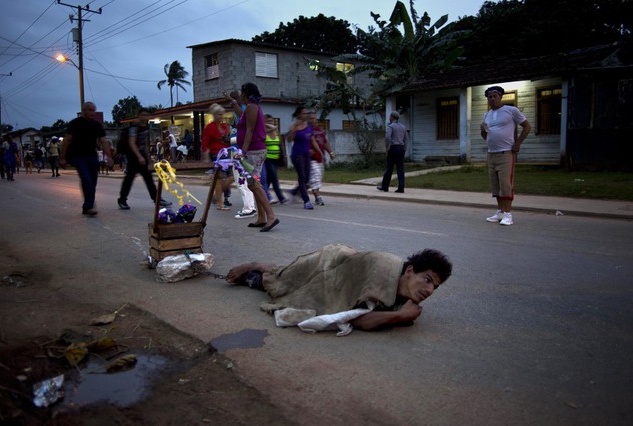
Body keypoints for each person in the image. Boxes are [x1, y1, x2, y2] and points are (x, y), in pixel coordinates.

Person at [224, 243, 452, 333]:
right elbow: (359, 320)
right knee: (282, 282)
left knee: (285, 277)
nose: (429, 291)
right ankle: (252, 266)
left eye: (435, 287)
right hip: (328, 263)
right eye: (428, 280)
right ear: (410, 271)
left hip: (344, 267)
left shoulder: (404, 287)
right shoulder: (383, 278)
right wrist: (400, 316)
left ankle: (257, 271)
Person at [480, 85, 531, 226]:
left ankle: (508, 214)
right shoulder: (487, 114)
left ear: (500, 96)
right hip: (491, 154)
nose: (492, 99)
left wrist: (518, 143)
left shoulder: (511, 111)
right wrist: (482, 131)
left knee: (505, 184)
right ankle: (500, 212)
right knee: (495, 185)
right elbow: (487, 136)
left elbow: (527, 126)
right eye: (489, 97)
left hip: (505, 153)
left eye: (495, 96)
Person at [237, 82, 279, 232]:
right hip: (253, 150)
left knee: (254, 183)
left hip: (254, 150)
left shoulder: (251, 107)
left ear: (246, 93)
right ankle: (261, 218)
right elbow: (243, 120)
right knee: (253, 184)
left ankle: (271, 216)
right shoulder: (250, 108)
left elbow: (249, 131)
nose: (240, 95)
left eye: (241, 93)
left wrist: (243, 150)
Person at [60, 102, 114, 215]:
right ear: (83, 111)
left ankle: (87, 206)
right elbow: (67, 140)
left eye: (93, 110)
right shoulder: (75, 124)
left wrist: (109, 157)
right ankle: (89, 206)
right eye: (89, 110)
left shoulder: (96, 125)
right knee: (86, 179)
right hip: (78, 156)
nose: (92, 112)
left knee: (93, 182)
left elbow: (103, 141)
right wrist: (62, 158)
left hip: (92, 157)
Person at [117, 108, 172, 211]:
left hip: (141, 157)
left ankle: (157, 199)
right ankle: (122, 200)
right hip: (133, 157)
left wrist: (148, 158)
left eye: (146, 115)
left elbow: (145, 144)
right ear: (139, 116)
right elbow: (132, 143)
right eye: (142, 115)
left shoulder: (145, 128)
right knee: (129, 179)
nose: (144, 117)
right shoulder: (134, 128)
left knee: (148, 179)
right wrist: (139, 156)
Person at [224, 89, 257, 219]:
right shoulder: (236, 111)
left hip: (240, 150)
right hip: (235, 148)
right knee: (241, 179)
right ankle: (250, 206)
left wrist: (232, 102)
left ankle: (249, 208)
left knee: (241, 179)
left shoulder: (243, 109)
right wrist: (229, 138)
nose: (233, 100)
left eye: (236, 97)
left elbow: (243, 117)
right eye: (232, 98)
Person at [202, 103, 234, 211]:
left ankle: (216, 195)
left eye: (222, 115)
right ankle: (220, 204)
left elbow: (228, 140)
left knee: (233, 176)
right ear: (214, 115)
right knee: (219, 180)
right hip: (216, 155)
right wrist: (206, 157)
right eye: (219, 114)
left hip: (227, 154)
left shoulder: (225, 126)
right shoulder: (209, 127)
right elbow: (205, 143)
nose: (221, 117)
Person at [286, 106, 314, 210]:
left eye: (307, 113)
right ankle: (306, 201)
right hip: (297, 155)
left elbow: (311, 139)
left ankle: (294, 191)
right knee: (302, 177)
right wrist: (294, 130)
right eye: (304, 113)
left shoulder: (308, 125)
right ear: (298, 114)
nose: (306, 115)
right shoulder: (294, 125)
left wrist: (315, 150)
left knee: (307, 178)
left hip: (307, 154)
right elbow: (289, 139)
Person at [308, 111, 335, 206]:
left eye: (314, 118)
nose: (313, 120)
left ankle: (301, 190)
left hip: (320, 158)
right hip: (310, 160)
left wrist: (331, 152)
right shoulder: (305, 131)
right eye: (310, 118)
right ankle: (318, 197)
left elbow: (325, 142)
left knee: (318, 178)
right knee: (316, 177)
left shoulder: (320, 130)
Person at [377, 111, 408, 193]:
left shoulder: (390, 126)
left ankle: (385, 186)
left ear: (392, 117)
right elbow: (406, 140)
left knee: (389, 168)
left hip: (393, 148)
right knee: (400, 169)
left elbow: (387, 137)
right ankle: (401, 188)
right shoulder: (403, 127)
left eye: (390, 116)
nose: (389, 118)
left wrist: (387, 147)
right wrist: (404, 149)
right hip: (401, 148)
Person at [262, 114, 288, 205]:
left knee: (269, 179)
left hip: (276, 159)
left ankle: (262, 195)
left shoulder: (276, 132)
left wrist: (284, 155)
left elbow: (281, 144)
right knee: (274, 178)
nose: (270, 123)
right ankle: (281, 198)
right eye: (268, 121)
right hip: (267, 159)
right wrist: (272, 127)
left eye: (271, 121)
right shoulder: (264, 132)